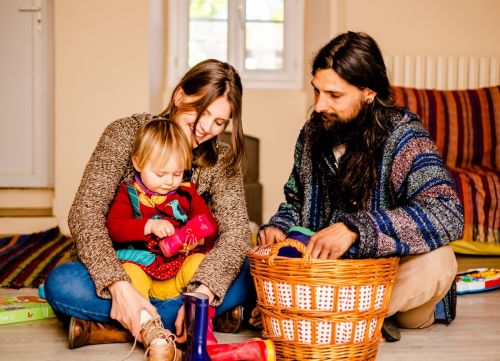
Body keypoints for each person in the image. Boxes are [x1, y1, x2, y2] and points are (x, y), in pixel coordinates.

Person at [258, 31, 464, 342]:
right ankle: (344, 322)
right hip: (329, 281)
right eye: (316, 91)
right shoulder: (314, 132)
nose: (318, 106)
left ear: (368, 93)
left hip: (387, 285)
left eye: (334, 95)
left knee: (440, 261)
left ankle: (340, 321)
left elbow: (448, 213)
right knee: (252, 236)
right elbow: (295, 201)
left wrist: (357, 229)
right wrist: (278, 226)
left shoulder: (405, 137)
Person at [44, 59, 257, 357]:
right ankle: (196, 320)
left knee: (252, 273)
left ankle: (135, 324)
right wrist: (118, 286)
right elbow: (85, 212)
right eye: (201, 111)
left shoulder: (222, 159)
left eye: (220, 122)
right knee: (62, 283)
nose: (206, 128)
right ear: (179, 96)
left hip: (185, 276)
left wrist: (203, 293)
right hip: (125, 270)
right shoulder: (125, 134)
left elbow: (236, 234)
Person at [107, 117, 218, 304]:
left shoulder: (186, 192)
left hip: (179, 273)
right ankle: (145, 314)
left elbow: (210, 225)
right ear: (138, 163)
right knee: (127, 275)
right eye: (160, 174)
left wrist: (196, 238)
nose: (169, 181)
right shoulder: (129, 193)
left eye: (177, 173)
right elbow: (114, 228)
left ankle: (190, 309)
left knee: (202, 263)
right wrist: (149, 225)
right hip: (142, 269)